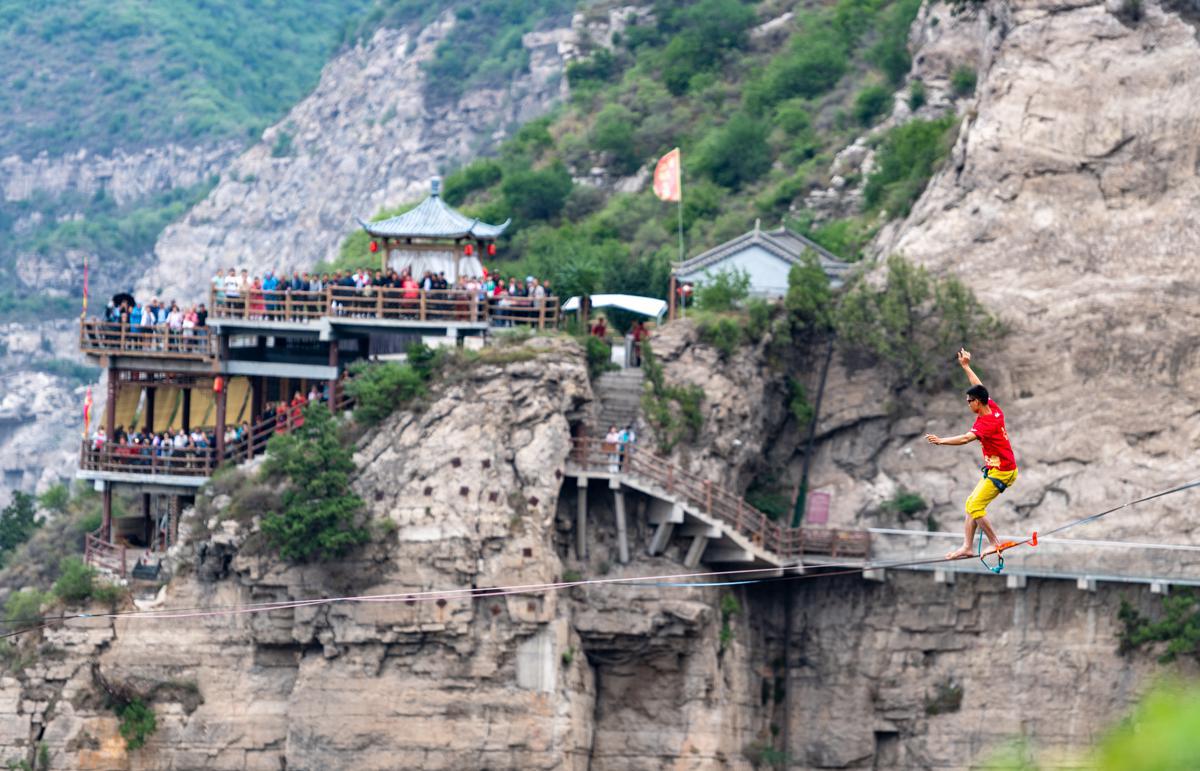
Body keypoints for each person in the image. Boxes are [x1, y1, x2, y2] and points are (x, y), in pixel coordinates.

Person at [925, 349, 1019, 560]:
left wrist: (941, 441)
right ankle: (967, 547)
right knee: (971, 504)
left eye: (969, 401)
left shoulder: (987, 422)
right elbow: (981, 387)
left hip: (1002, 471)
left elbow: (966, 439)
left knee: (975, 506)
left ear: (977, 402)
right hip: (1001, 468)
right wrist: (966, 366)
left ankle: (996, 543)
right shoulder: (992, 407)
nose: (968, 404)